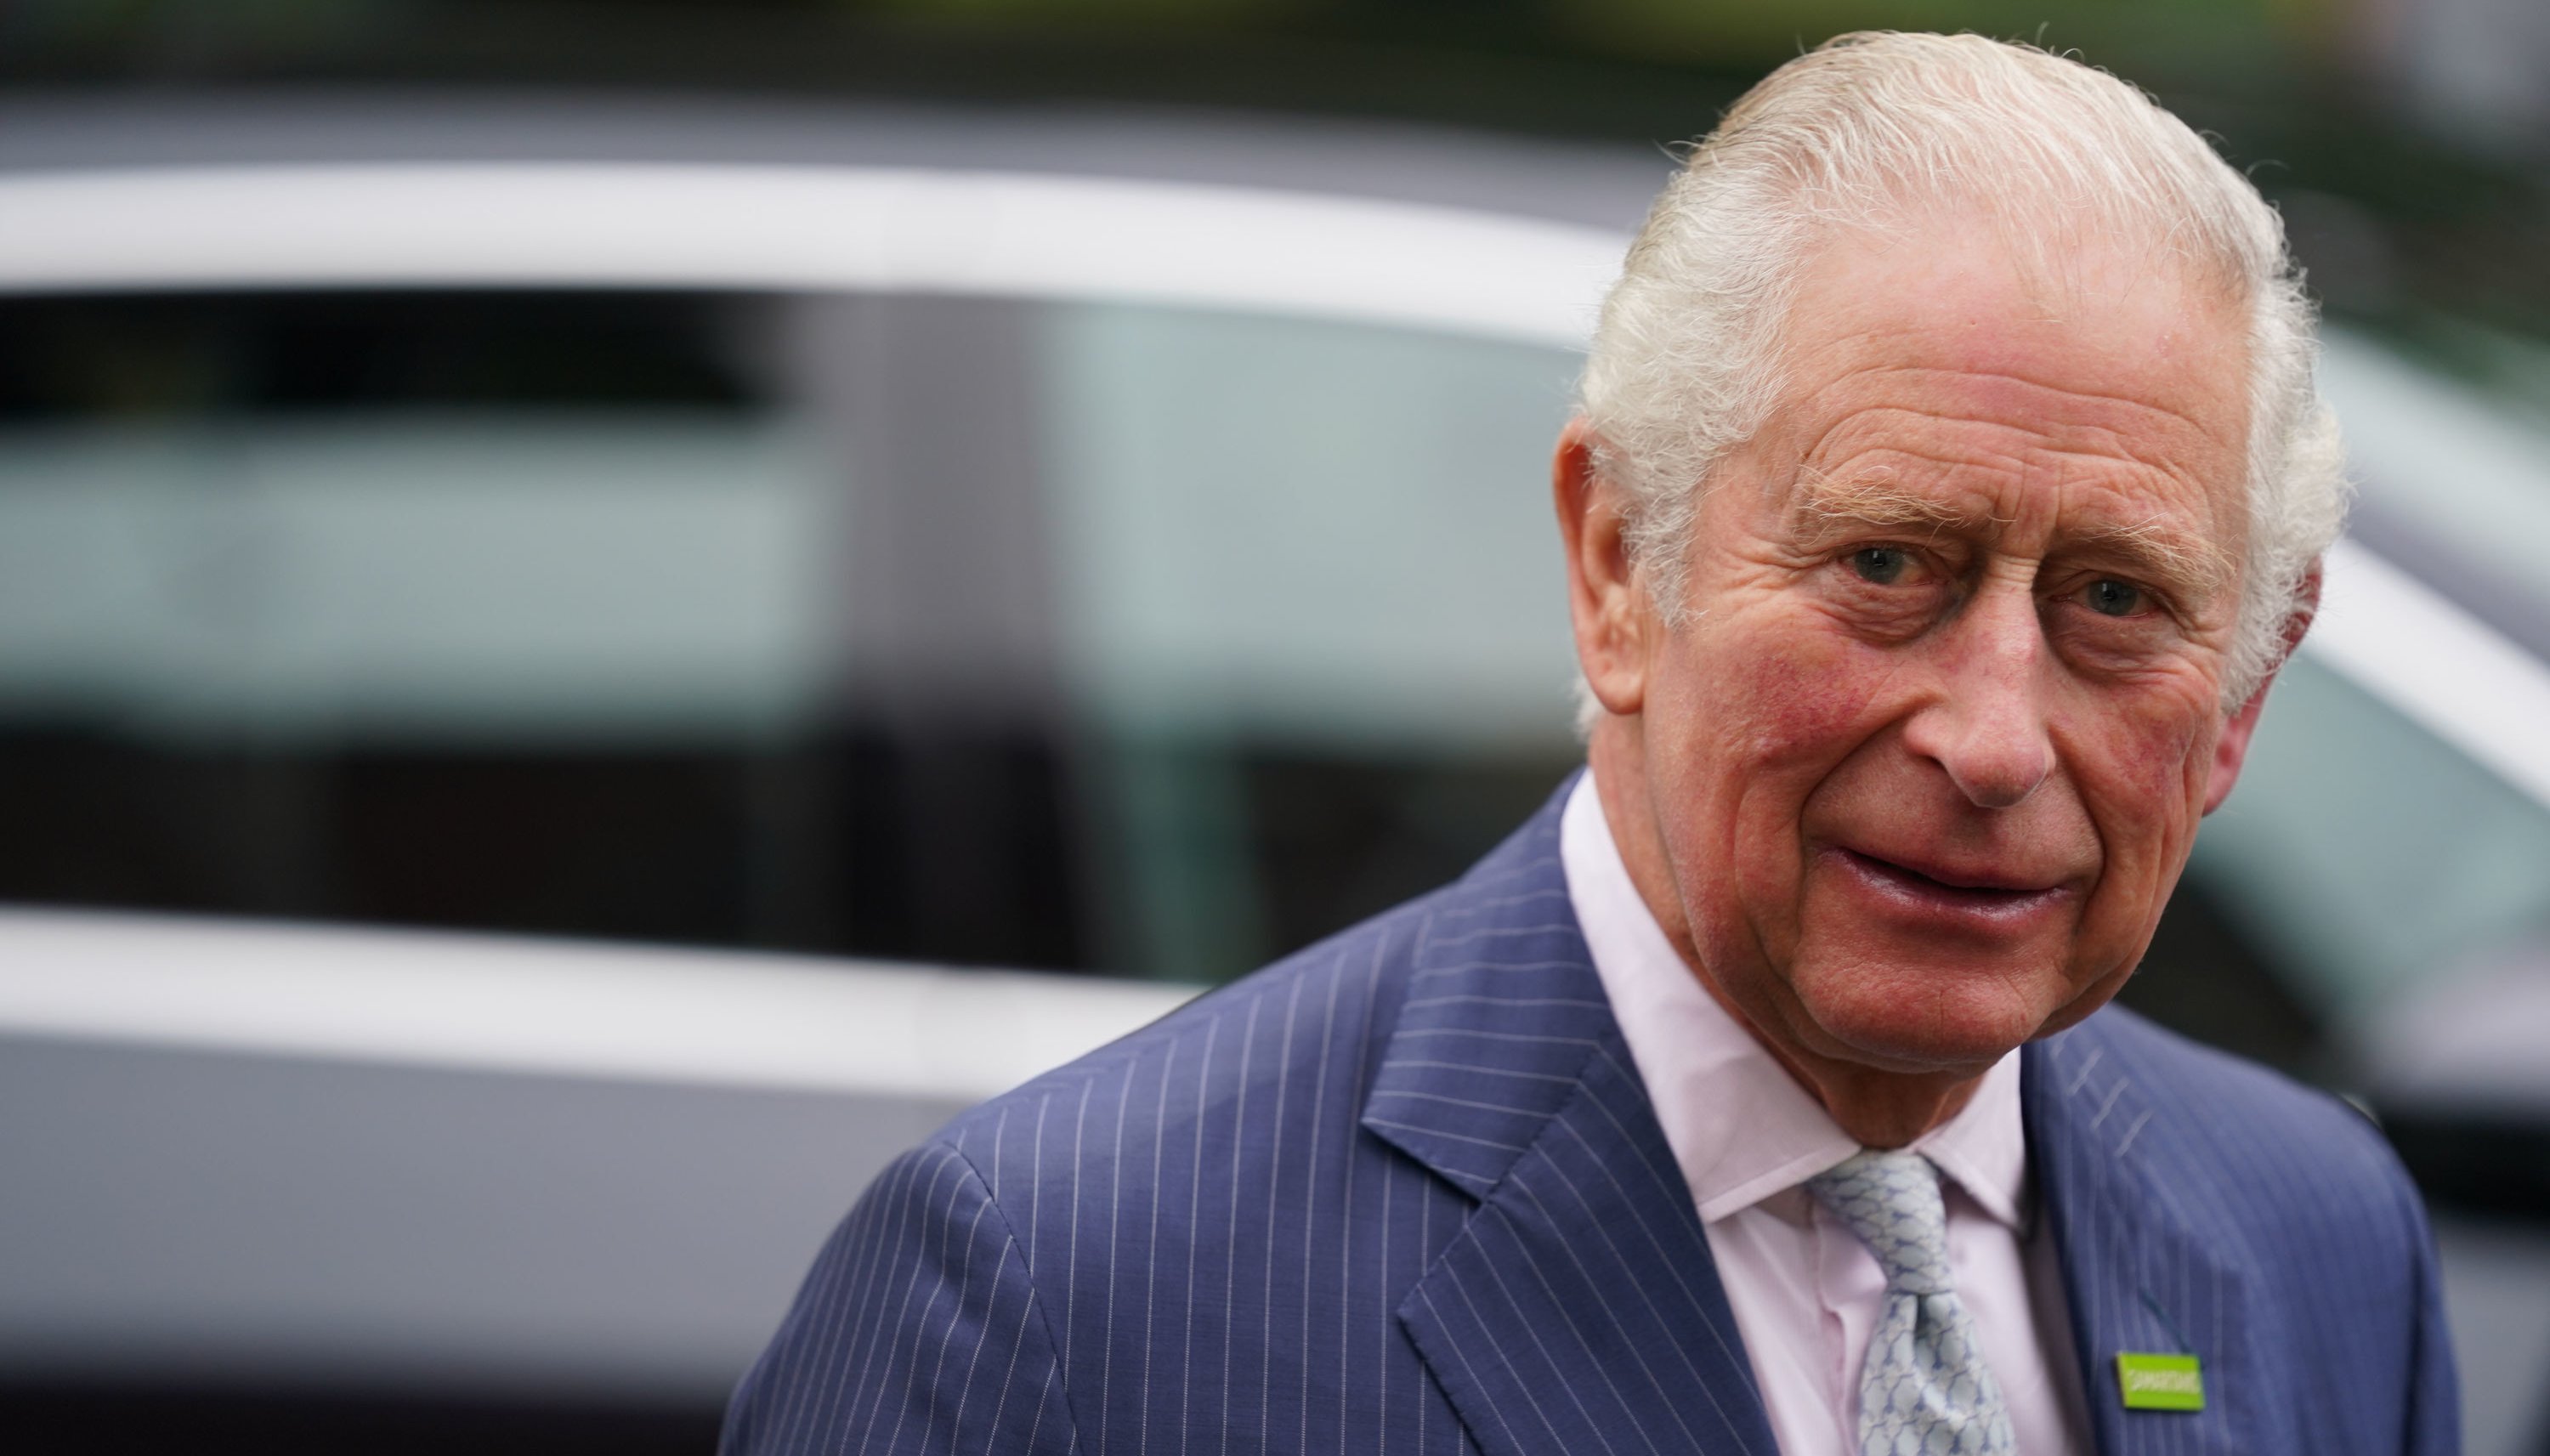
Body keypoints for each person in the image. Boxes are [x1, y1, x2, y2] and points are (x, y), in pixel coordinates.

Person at [723, 31, 2455, 1456]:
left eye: (2117, 601)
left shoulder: (2322, 1241)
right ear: (1621, 562)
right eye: (1885, 565)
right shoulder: (1061, 1297)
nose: (1997, 735)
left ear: (2243, 694)